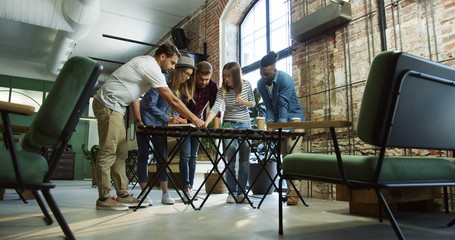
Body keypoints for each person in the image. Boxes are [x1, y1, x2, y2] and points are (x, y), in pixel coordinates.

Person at [93, 43, 204, 211]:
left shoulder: (149, 65)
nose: (173, 67)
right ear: (162, 57)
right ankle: (104, 198)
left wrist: (138, 118)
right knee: (109, 151)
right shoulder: (151, 67)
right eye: (172, 63)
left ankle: (122, 194)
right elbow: (172, 100)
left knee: (121, 153)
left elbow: (134, 95)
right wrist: (194, 118)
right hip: (107, 104)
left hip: (117, 107)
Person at [136, 56, 196, 205]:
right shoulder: (161, 79)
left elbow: (173, 106)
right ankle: (144, 193)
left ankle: (165, 193)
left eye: (190, 75)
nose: (187, 78)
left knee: (162, 157)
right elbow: (149, 104)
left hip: (160, 122)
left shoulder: (177, 86)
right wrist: (167, 118)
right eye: (186, 74)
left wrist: (177, 118)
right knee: (143, 155)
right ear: (179, 70)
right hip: (146, 120)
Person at [256, 51, 305, 205]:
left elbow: (283, 106)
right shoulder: (260, 84)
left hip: (293, 121)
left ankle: (294, 193)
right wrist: (270, 125)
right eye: (261, 73)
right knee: (285, 158)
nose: (264, 77)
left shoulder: (285, 80)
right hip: (279, 123)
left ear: (274, 70)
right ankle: (291, 191)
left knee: (293, 157)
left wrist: (279, 127)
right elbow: (269, 107)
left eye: (267, 74)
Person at [205, 62, 255, 203]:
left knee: (244, 161)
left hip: (245, 124)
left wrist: (244, 102)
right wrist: (206, 122)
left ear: (236, 75)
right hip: (228, 124)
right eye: (224, 76)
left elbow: (253, 103)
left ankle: (242, 193)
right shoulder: (222, 90)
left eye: (229, 76)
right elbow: (215, 107)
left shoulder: (246, 85)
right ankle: (232, 192)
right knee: (230, 159)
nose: (226, 79)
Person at [179, 61, 221, 203]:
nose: (204, 82)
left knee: (194, 156)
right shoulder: (187, 83)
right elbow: (181, 107)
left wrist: (215, 131)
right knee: (185, 154)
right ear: (196, 75)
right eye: (201, 79)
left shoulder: (212, 86)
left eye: (207, 79)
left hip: (199, 124)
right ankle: (186, 188)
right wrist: (192, 120)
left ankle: (190, 188)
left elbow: (216, 108)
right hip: (184, 121)